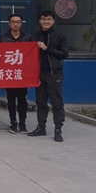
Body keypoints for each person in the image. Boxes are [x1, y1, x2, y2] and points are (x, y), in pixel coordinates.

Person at [28, 11, 69, 143]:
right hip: (40, 74)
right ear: (39, 21)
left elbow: (64, 54)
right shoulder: (36, 36)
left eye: (49, 19)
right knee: (40, 102)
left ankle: (58, 129)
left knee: (57, 102)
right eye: (43, 19)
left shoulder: (60, 35)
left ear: (53, 21)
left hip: (54, 73)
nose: (46, 21)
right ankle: (41, 127)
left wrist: (46, 48)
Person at [0, 14, 32, 134]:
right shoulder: (3, 38)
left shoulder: (28, 38)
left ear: (21, 24)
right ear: (9, 24)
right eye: (13, 22)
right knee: (11, 99)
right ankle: (13, 122)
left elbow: (32, 56)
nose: (15, 24)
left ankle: (22, 123)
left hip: (23, 74)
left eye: (18, 22)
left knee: (22, 99)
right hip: (9, 74)